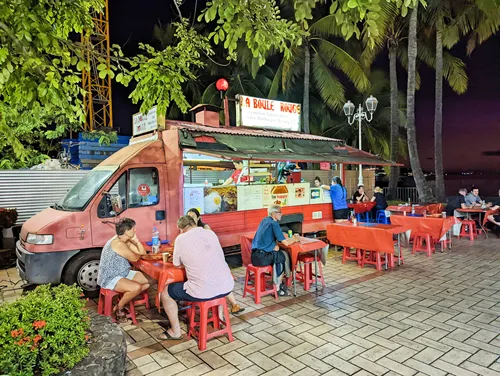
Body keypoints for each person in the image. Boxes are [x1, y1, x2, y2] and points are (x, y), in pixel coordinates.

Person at [159, 216, 235, 340]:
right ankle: (219, 318)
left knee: (166, 292)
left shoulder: (181, 238)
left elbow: (176, 264)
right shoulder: (210, 233)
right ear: (194, 224)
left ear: (181, 229)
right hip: (227, 286)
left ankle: (175, 331)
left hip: (203, 291)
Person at [186, 207, 244, 314]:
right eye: (188, 217)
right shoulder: (186, 231)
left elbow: (211, 244)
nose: (190, 219)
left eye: (193, 217)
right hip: (203, 265)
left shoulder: (205, 228)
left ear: (198, 218)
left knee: (219, 277)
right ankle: (232, 305)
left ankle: (231, 306)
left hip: (209, 261)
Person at [97, 218, 150, 323]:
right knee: (136, 288)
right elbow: (135, 258)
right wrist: (134, 245)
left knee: (149, 282)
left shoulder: (124, 240)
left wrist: (136, 241)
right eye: (133, 229)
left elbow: (142, 253)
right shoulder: (118, 243)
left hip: (122, 272)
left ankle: (120, 302)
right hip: (110, 277)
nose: (135, 230)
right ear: (126, 231)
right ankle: (119, 308)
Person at [251, 205, 298, 296]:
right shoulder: (274, 223)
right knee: (282, 256)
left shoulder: (264, 220)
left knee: (279, 253)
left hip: (254, 256)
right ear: (273, 214)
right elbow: (286, 243)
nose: (281, 214)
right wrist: (295, 239)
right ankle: (277, 287)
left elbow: (265, 237)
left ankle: (282, 281)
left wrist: (273, 245)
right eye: (279, 212)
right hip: (262, 258)